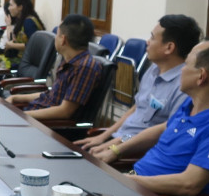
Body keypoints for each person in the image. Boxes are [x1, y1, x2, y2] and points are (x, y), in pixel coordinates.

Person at [98, 40, 209, 196]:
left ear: (201, 76)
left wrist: (126, 180)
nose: (181, 69)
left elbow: (188, 185)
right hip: (135, 183)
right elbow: (161, 129)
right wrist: (115, 150)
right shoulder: (191, 103)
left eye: (186, 64)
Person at [80, 15, 201, 157]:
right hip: (119, 140)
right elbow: (136, 108)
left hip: (135, 151)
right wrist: (103, 136)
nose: (147, 42)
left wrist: (113, 146)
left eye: (153, 38)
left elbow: (165, 133)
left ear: (169, 47)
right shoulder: (153, 70)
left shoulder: (183, 87)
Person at [7, 14, 102, 120]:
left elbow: (64, 111)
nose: (55, 38)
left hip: (46, 125)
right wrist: (15, 98)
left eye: (57, 34)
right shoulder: (68, 61)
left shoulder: (84, 67)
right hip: (34, 114)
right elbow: (51, 95)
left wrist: (20, 116)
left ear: (63, 39)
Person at [0, 0, 44, 69]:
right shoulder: (20, 20)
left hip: (27, 62)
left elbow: (33, 46)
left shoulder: (29, 22)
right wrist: (9, 25)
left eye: (11, 5)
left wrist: (11, 45)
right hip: (21, 58)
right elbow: (12, 38)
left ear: (20, 7)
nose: (9, 8)